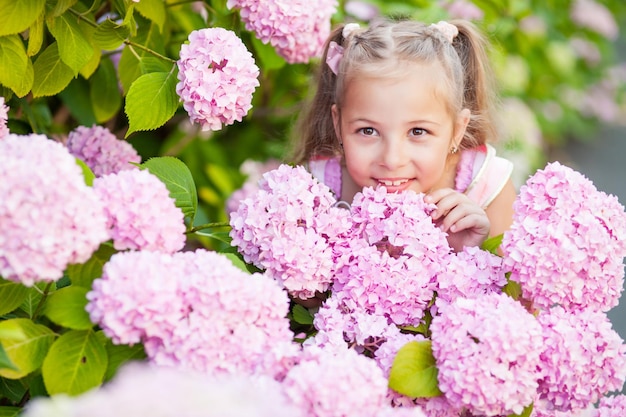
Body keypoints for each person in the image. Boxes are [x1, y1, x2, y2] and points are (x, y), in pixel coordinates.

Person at [289, 19, 517, 252]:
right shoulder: (318, 191)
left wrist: (473, 251)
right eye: (368, 131)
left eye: (418, 132)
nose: (392, 160)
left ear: (457, 130)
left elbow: (515, 287)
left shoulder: (485, 186)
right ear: (338, 124)